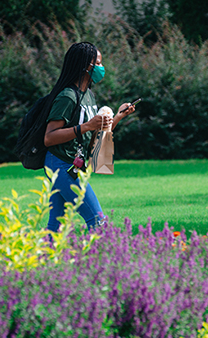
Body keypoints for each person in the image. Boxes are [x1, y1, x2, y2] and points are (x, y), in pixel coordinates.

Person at [42, 42, 135, 232]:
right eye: (98, 63)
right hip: (60, 164)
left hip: (72, 166)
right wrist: (85, 126)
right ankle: (103, 259)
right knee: (98, 220)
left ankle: (45, 260)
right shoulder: (67, 96)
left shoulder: (88, 96)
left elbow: (95, 136)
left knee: (56, 225)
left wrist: (118, 116)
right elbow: (49, 138)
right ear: (85, 67)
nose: (101, 68)